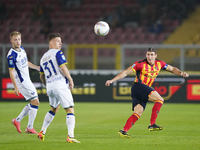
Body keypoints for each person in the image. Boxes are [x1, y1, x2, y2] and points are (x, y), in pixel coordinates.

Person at [105, 47, 189, 138]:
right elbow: (125, 72)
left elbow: (172, 69)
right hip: (138, 86)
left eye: (152, 55)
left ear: (155, 56)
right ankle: (152, 124)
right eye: (148, 54)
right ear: (146, 55)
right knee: (160, 99)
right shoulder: (140, 64)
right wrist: (112, 80)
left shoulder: (160, 64)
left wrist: (181, 73)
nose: (150, 56)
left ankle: (123, 131)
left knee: (138, 111)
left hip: (143, 90)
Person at [37, 33, 80, 143]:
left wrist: (48, 87)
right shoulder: (57, 53)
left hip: (50, 87)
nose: (60, 43)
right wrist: (70, 79)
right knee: (70, 109)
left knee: (54, 109)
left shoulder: (42, 58)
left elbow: (41, 76)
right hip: (60, 85)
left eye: (60, 41)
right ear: (51, 43)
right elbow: (63, 66)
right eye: (57, 41)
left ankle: (42, 131)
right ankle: (70, 136)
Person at [7, 31, 40, 134]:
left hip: (27, 80)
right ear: (11, 41)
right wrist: (15, 87)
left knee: (33, 102)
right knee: (36, 102)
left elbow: (26, 62)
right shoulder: (11, 55)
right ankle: (29, 127)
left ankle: (17, 120)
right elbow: (11, 71)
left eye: (19, 39)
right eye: (15, 39)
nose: (18, 41)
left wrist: (37, 67)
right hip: (22, 82)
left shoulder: (22, 49)